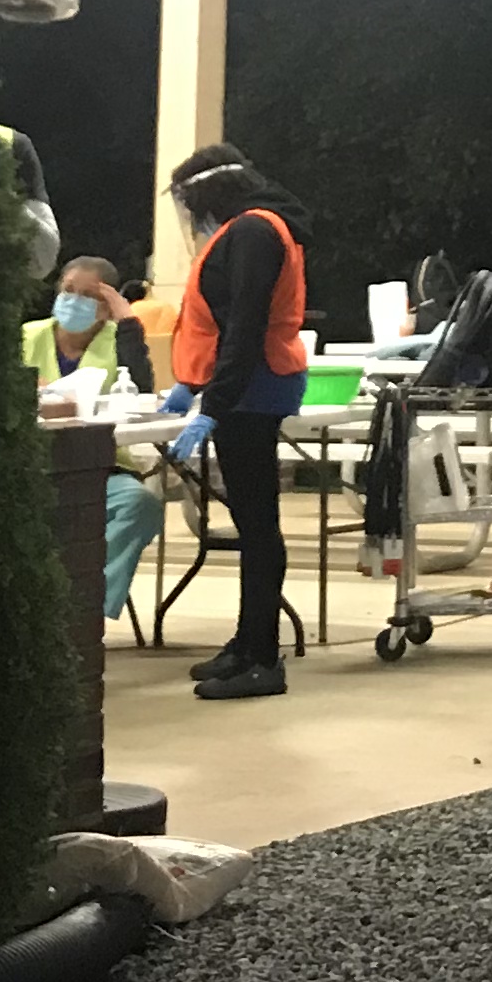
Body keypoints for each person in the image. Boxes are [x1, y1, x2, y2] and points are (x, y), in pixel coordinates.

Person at [157, 141, 313, 702]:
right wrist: (194, 384)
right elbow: (223, 323)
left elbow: (246, 326)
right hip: (244, 388)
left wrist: (214, 405)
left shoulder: (252, 232)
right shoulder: (253, 228)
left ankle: (263, 659)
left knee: (258, 526)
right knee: (252, 525)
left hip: (253, 389)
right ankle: (247, 644)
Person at [24, 254, 163, 628]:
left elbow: (141, 395)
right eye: (68, 290)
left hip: (100, 465)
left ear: (106, 306)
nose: (74, 301)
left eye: (88, 296)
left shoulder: (118, 340)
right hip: (34, 466)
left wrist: (128, 322)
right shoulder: (28, 336)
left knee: (140, 505)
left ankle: (80, 608)